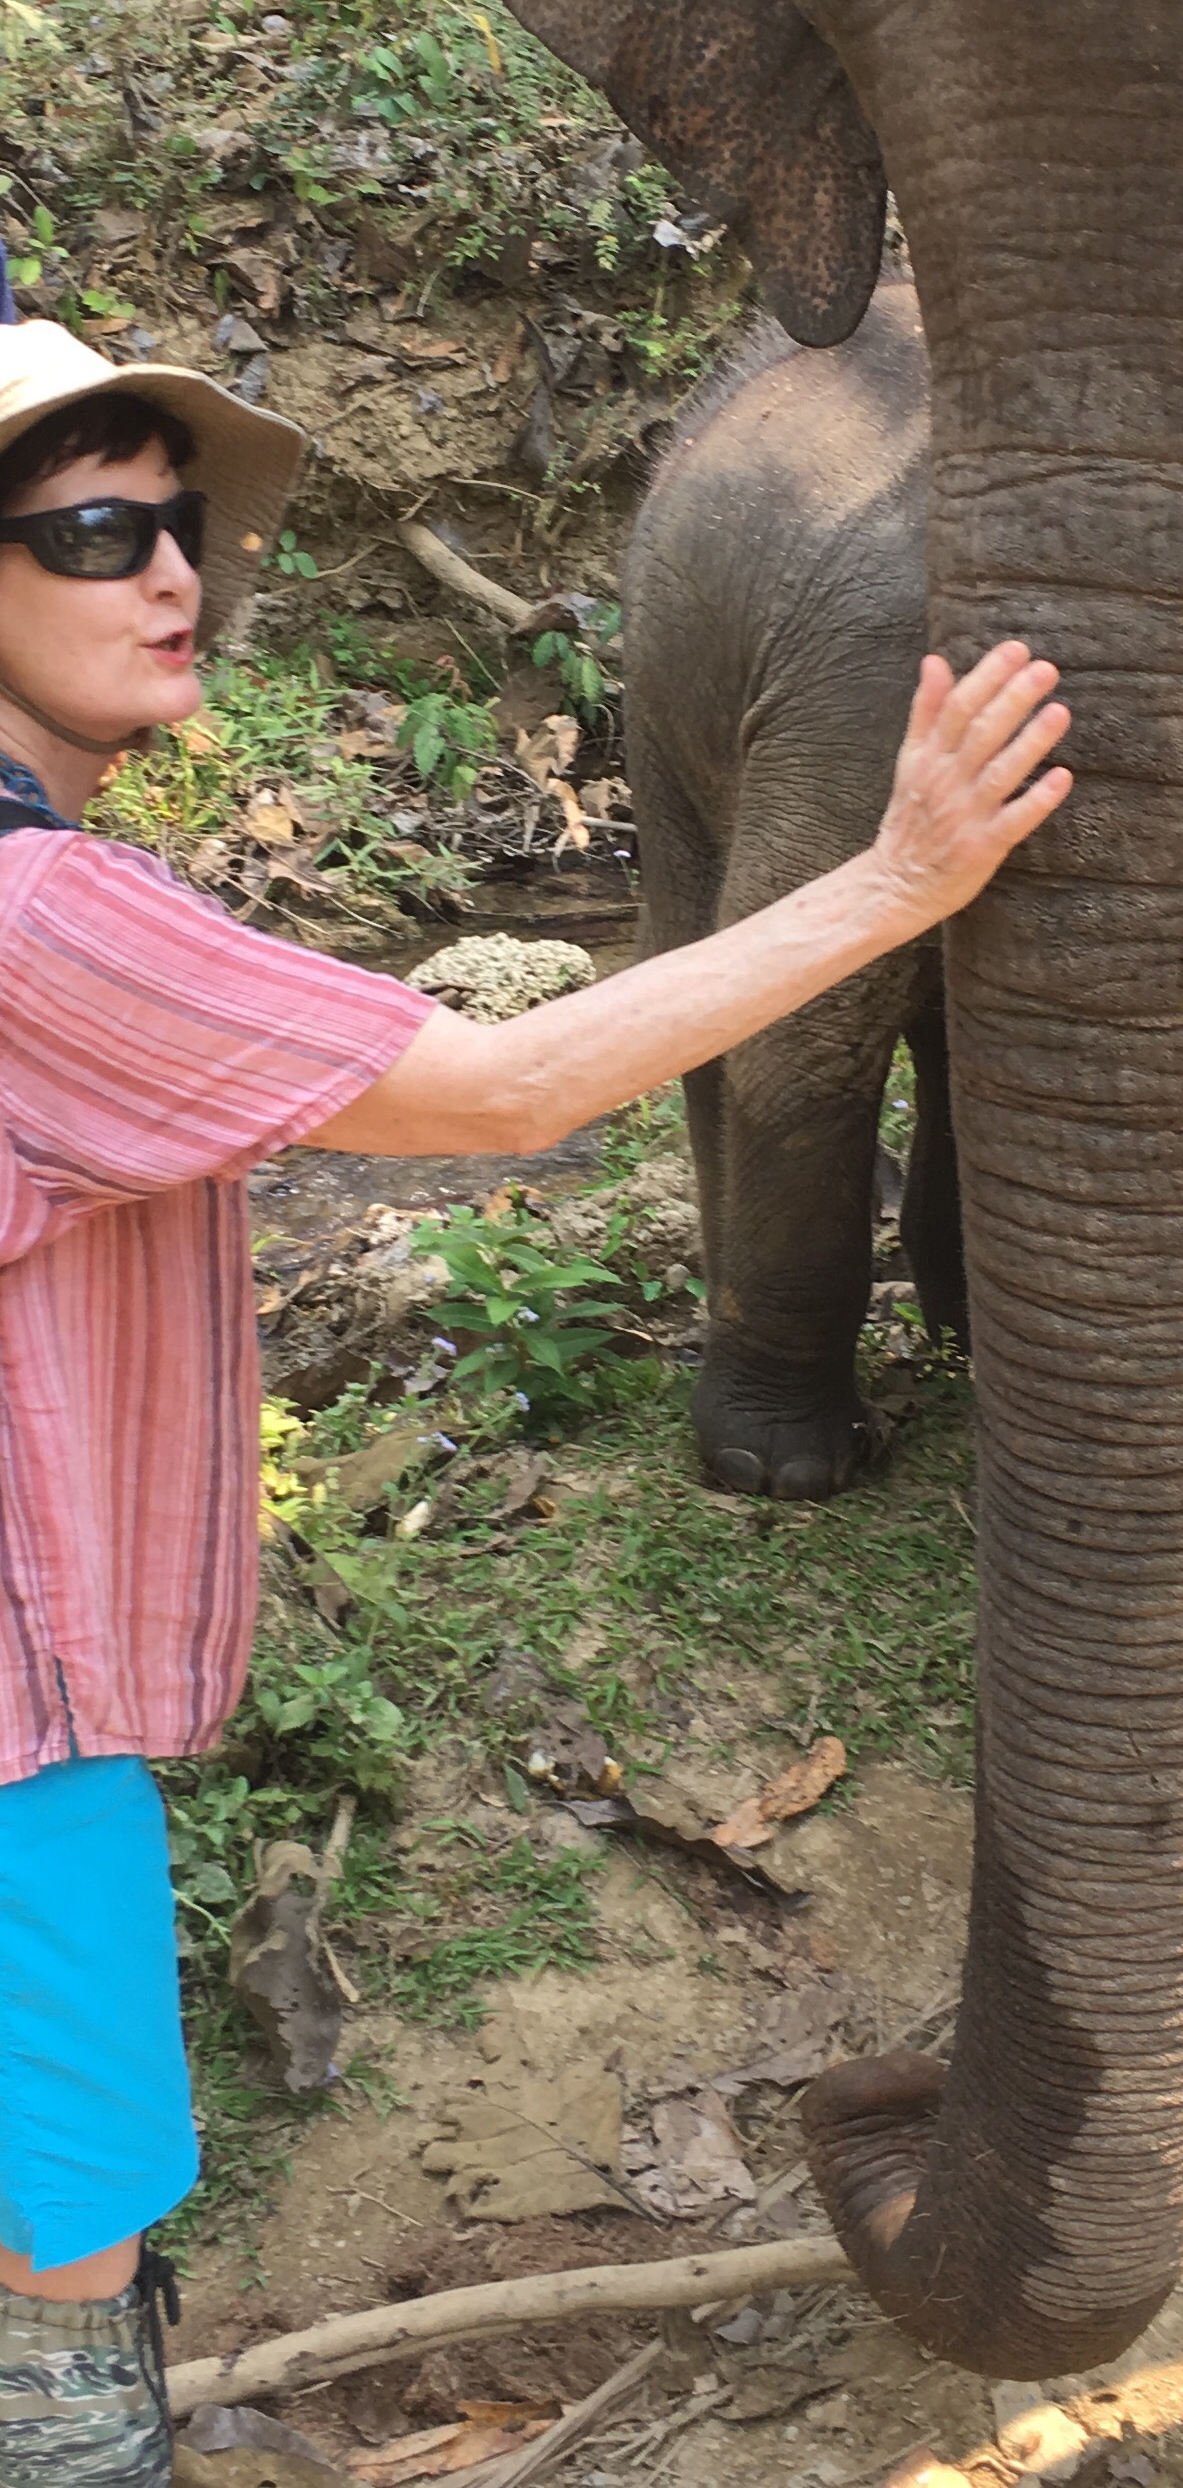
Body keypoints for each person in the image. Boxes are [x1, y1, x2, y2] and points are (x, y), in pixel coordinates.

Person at [0, 319, 1070, 2484]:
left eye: (179, 523)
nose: (173, 572)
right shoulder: (38, 918)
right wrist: (897, 880)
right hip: (16, 1715)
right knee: (69, 2225)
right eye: (93, 533)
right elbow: (501, 1088)